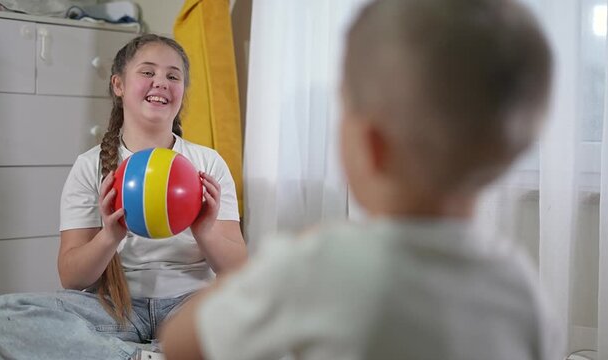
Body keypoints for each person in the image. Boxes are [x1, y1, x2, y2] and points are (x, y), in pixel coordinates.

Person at [160, 0, 563, 359]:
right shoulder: (522, 287)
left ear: (372, 145)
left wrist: (270, 266)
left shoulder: (318, 264)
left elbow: (179, 343)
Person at [0, 34, 247, 360]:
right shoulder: (90, 166)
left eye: (173, 76)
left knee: (270, 319)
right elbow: (72, 278)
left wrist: (205, 231)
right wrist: (109, 236)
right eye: (147, 72)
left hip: (190, 303)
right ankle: (140, 356)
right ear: (118, 84)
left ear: (182, 92)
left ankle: (132, 353)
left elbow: (239, 269)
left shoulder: (208, 163)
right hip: (115, 309)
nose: (161, 82)